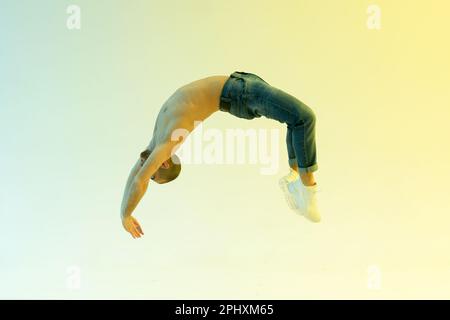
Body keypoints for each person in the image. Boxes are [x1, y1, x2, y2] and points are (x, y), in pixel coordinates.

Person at [120, 71, 320, 239]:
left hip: (242, 84)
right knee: (304, 118)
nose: (146, 168)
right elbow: (140, 180)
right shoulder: (168, 141)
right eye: (151, 172)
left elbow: (136, 174)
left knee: (295, 121)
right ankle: (307, 188)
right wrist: (129, 215)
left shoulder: (155, 140)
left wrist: (123, 213)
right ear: (162, 164)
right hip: (241, 94)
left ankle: (295, 179)